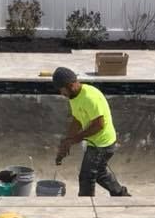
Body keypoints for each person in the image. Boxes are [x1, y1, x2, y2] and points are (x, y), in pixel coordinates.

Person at [52, 67, 130, 198]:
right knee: (99, 173)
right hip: (95, 142)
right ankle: (121, 195)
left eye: (62, 90)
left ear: (70, 85)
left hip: (103, 143)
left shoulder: (90, 97)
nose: (61, 93)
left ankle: (86, 205)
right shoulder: (74, 97)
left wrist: (76, 138)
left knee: (87, 176)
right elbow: (77, 119)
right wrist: (67, 141)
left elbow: (99, 124)